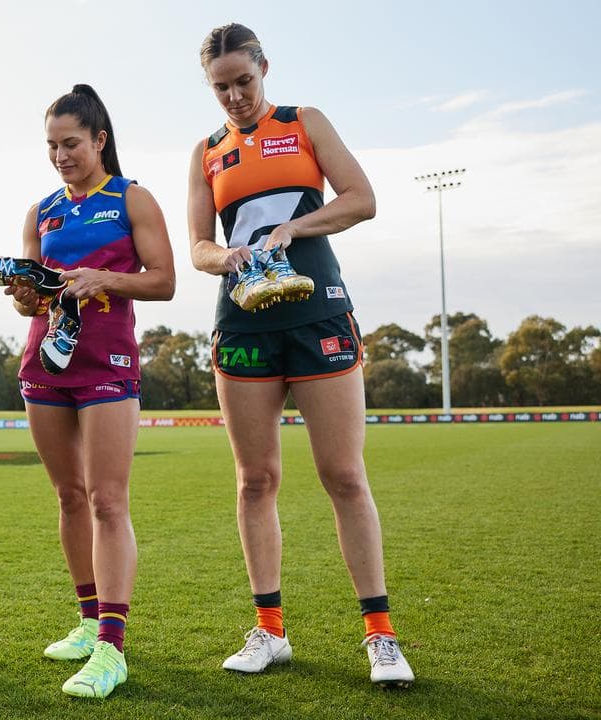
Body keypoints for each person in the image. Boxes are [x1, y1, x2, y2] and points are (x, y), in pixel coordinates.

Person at [187, 22, 415, 687]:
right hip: (244, 323)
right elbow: (197, 245)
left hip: (319, 315)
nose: (233, 98)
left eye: (243, 82)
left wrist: (294, 226)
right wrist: (223, 256)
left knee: (344, 475)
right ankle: (270, 631)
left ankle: (380, 636)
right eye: (221, 87)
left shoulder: (304, 121)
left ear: (264, 69)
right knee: (254, 480)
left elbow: (362, 199)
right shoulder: (205, 151)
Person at [5, 84, 174, 698]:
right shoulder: (42, 209)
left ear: (100, 140)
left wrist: (103, 277)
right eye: (51, 146)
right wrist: (25, 293)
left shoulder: (133, 199)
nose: (60, 156)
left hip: (108, 361)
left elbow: (165, 282)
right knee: (69, 497)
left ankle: (111, 647)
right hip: (45, 362)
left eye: (70, 143)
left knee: (107, 500)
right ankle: (85, 620)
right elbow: (31, 285)